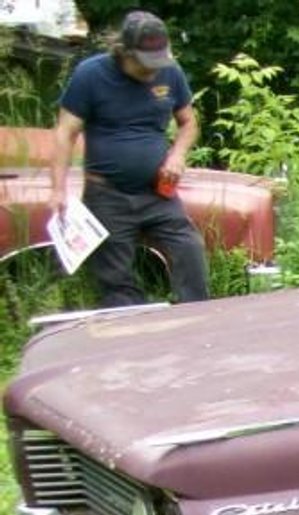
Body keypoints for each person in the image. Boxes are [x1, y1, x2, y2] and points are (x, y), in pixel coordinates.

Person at [47, 10, 208, 308]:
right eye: (145, 64)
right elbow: (65, 132)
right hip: (107, 194)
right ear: (123, 51)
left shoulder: (170, 72)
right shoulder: (90, 74)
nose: (152, 71)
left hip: (157, 191)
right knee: (117, 281)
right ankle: (131, 338)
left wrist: (177, 155)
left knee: (190, 248)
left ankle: (196, 322)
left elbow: (189, 122)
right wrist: (57, 189)